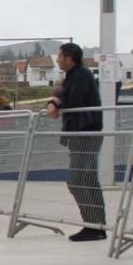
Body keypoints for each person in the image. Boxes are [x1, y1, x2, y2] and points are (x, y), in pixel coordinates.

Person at [47, 43, 106, 241]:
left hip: (86, 134)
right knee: (88, 180)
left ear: (69, 58)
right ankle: (98, 227)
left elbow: (73, 100)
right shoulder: (74, 76)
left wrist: (55, 101)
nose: (57, 60)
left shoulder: (81, 75)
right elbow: (64, 93)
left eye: (59, 56)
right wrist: (55, 99)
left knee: (77, 181)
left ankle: (93, 227)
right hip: (83, 134)